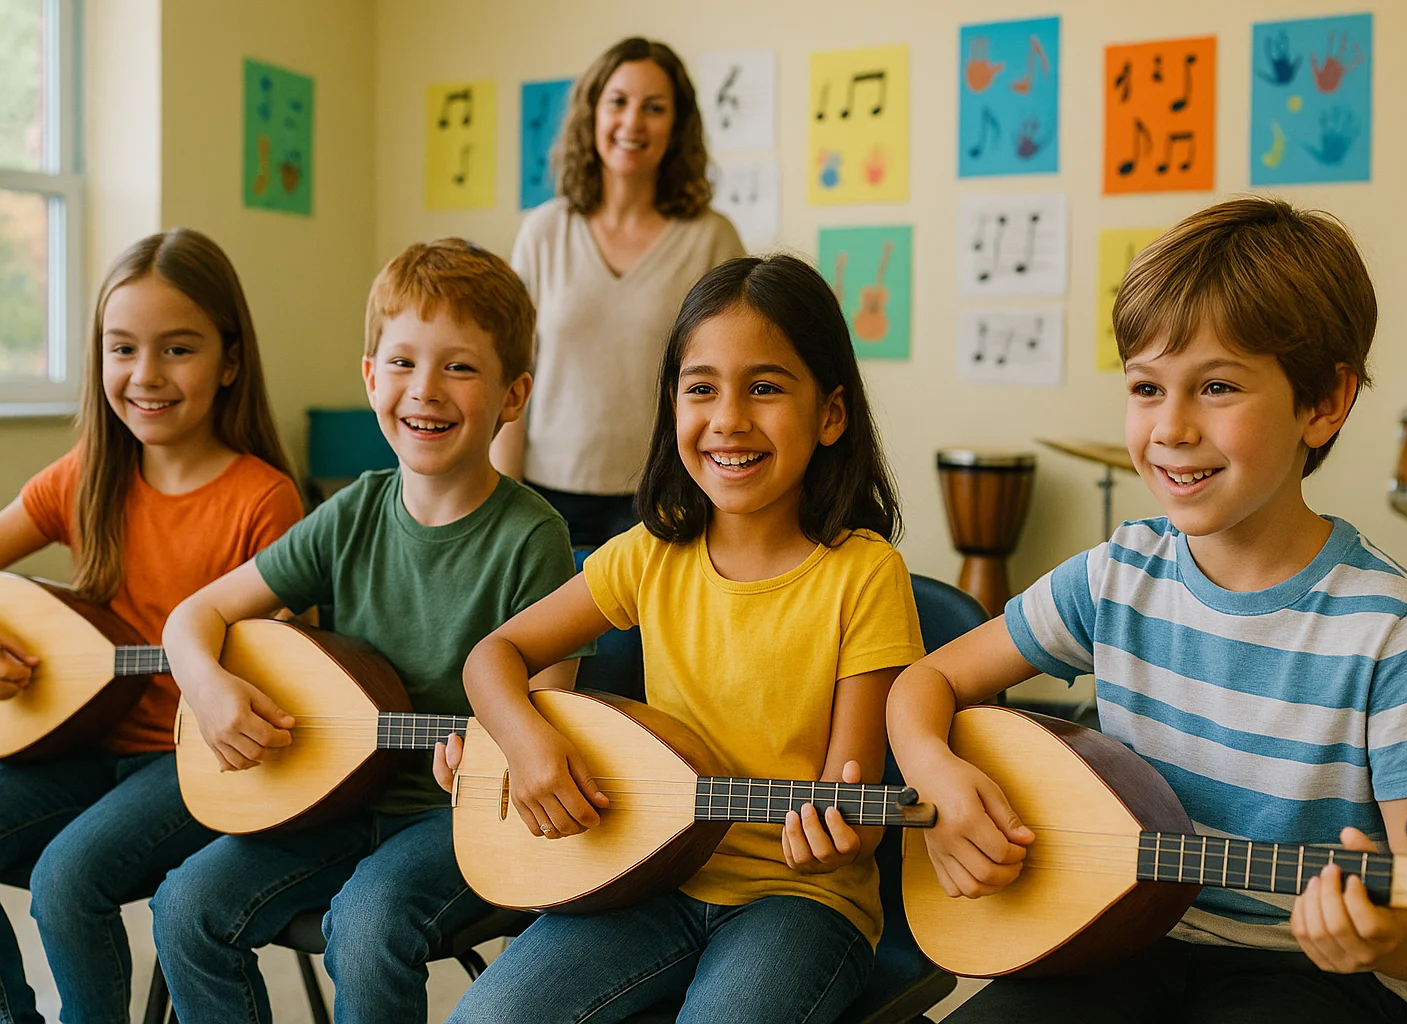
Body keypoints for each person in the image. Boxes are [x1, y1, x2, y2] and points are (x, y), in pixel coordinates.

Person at [887, 196, 1407, 1024]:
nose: (1170, 427)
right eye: (1146, 387)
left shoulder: (1388, 627)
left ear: (1324, 403)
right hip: (1113, 935)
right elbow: (924, 683)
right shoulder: (1117, 575)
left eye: (1217, 386)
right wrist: (938, 777)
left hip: (1307, 976)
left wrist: (1382, 935)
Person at [442, 254, 924, 1024]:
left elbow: (855, 813)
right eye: (701, 388)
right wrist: (529, 743)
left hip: (800, 898)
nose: (728, 418)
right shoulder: (649, 553)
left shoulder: (866, 575)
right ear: (673, 407)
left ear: (831, 414)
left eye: (764, 387)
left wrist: (840, 837)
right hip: (648, 876)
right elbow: (493, 657)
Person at [152, 239, 583, 1024]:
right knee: (185, 905)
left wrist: (498, 760)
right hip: (333, 796)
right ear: (370, 376)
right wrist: (208, 689)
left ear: (513, 394)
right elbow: (194, 617)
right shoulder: (351, 513)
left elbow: (553, 718)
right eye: (403, 362)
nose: (425, 390)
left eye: (459, 366)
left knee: (367, 923)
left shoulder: (534, 539)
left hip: (456, 816)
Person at [0, 229, 303, 1024]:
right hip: (78, 744)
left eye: (177, 349)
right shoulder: (84, 475)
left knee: (68, 881)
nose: (145, 376)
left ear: (229, 362)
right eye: (122, 348)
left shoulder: (263, 501)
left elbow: (287, 666)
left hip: (195, 763)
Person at [492, 36, 745, 547]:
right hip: (544, 498)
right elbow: (512, 371)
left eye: (654, 108)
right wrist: (501, 495)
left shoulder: (712, 237)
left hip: (669, 491)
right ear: (592, 113)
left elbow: (732, 372)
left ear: (677, 127)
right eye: (619, 102)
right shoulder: (544, 231)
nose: (633, 123)